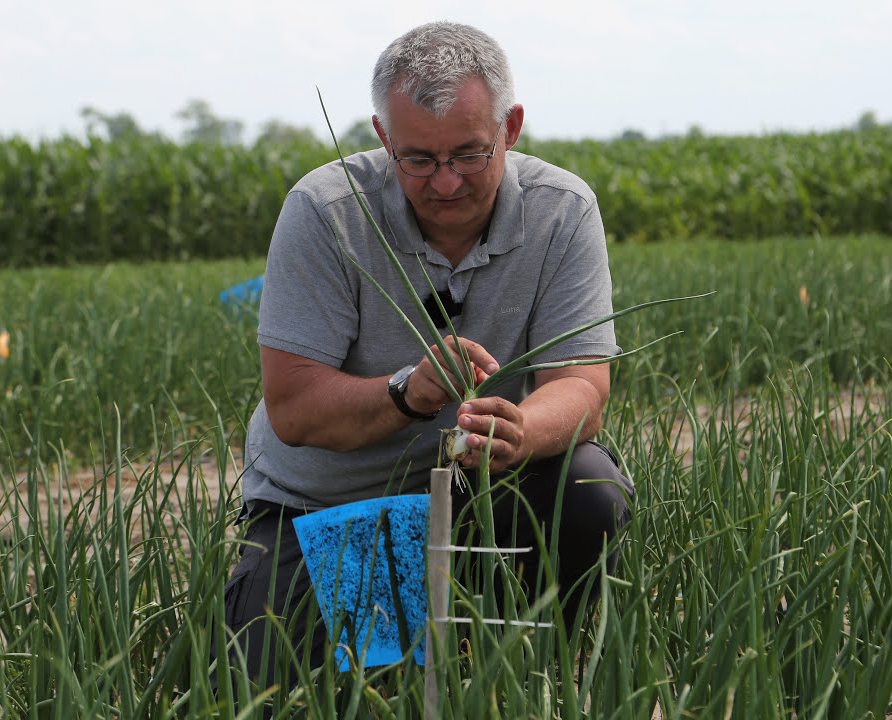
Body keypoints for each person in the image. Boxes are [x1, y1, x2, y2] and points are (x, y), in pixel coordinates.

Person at [219, 19, 634, 696]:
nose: (444, 184)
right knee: (289, 693)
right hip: (331, 503)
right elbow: (292, 409)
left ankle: (532, 675)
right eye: (418, 159)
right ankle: (393, 642)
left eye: (469, 155)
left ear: (511, 128)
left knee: (587, 487)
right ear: (384, 138)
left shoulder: (563, 212)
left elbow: (582, 384)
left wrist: (522, 432)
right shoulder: (325, 212)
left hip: (480, 493)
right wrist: (406, 391)